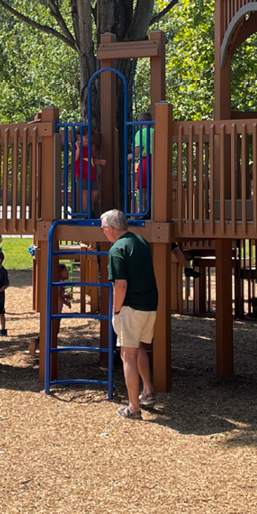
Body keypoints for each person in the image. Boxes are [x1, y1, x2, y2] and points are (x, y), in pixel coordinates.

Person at [100, 208, 157, 420]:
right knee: (138, 346)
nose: (103, 233)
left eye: (103, 229)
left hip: (130, 307)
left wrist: (116, 310)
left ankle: (133, 407)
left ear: (110, 228)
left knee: (127, 355)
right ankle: (148, 390)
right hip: (149, 305)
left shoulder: (116, 250)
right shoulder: (140, 241)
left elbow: (120, 286)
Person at [129, 112, 154, 213]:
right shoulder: (155, 131)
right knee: (152, 186)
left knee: (142, 187)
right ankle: (152, 209)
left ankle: (143, 210)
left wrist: (131, 155)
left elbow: (140, 148)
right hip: (156, 160)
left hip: (146, 160)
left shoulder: (140, 133)